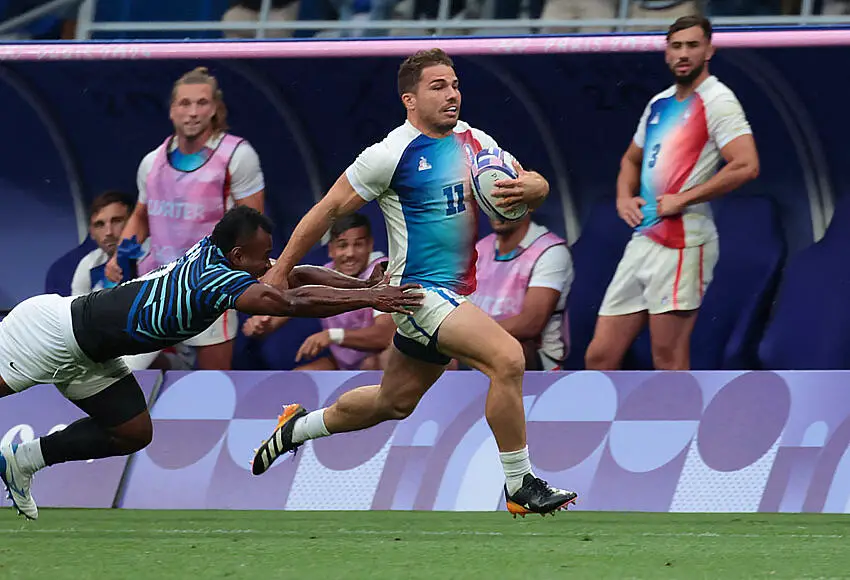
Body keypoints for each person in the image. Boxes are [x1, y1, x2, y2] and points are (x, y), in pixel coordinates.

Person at [250, 48, 577, 517]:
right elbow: (328, 208)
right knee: (507, 358)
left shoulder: (475, 141)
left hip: (452, 295)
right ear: (410, 99)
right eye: (438, 87)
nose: (452, 95)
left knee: (392, 402)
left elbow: (528, 183)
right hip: (419, 294)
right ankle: (519, 484)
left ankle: (297, 427)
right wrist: (280, 272)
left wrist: (536, 187)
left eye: (455, 85)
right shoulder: (388, 155)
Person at [0, 206, 422, 520]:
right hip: (50, 334)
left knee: (131, 432)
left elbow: (292, 274)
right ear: (237, 255)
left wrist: (361, 284)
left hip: (91, 357)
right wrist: (369, 298)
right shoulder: (214, 280)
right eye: (263, 255)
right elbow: (291, 301)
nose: (269, 263)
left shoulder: (220, 256)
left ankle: (24, 459)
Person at [585, 15, 759, 371]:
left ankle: (680, 412)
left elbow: (746, 165)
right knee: (600, 355)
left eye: (692, 45)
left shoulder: (718, 100)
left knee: (668, 358)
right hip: (644, 238)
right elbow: (630, 159)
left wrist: (683, 198)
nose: (683, 54)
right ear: (666, 53)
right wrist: (623, 197)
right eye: (676, 46)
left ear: (709, 51)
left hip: (683, 243)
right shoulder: (659, 102)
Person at [106, 66, 266, 371]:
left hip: (212, 286)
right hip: (157, 285)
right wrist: (119, 254)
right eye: (185, 103)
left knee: (213, 384)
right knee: (123, 371)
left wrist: (253, 281)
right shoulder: (151, 161)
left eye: (201, 103)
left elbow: (254, 225)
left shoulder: (237, 156)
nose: (192, 112)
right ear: (171, 110)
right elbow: (141, 215)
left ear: (215, 108)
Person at [243, 212, 395, 370]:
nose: (350, 253)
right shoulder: (325, 273)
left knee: (377, 360)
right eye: (342, 245)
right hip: (341, 363)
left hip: (376, 361)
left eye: (358, 245)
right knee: (298, 376)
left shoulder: (382, 272)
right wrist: (263, 323)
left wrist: (332, 336)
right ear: (331, 250)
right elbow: (294, 302)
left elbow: (384, 336)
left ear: (370, 245)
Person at [471, 214, 572, 370]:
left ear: (528, 206)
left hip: (538, 364)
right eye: (492, 204)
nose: (497, 210)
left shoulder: (551, 251)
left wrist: (467, 335)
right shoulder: (481, 249)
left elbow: (530, 324)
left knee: (511, 348)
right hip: (477, 352)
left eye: (507, 204)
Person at [70, 191, 135, 296]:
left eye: (117, 221)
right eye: (99, 225)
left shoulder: (153, 255)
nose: (109, 232)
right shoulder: (89, 264)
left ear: (134, 223)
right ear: (91, 232)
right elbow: (77, 305)